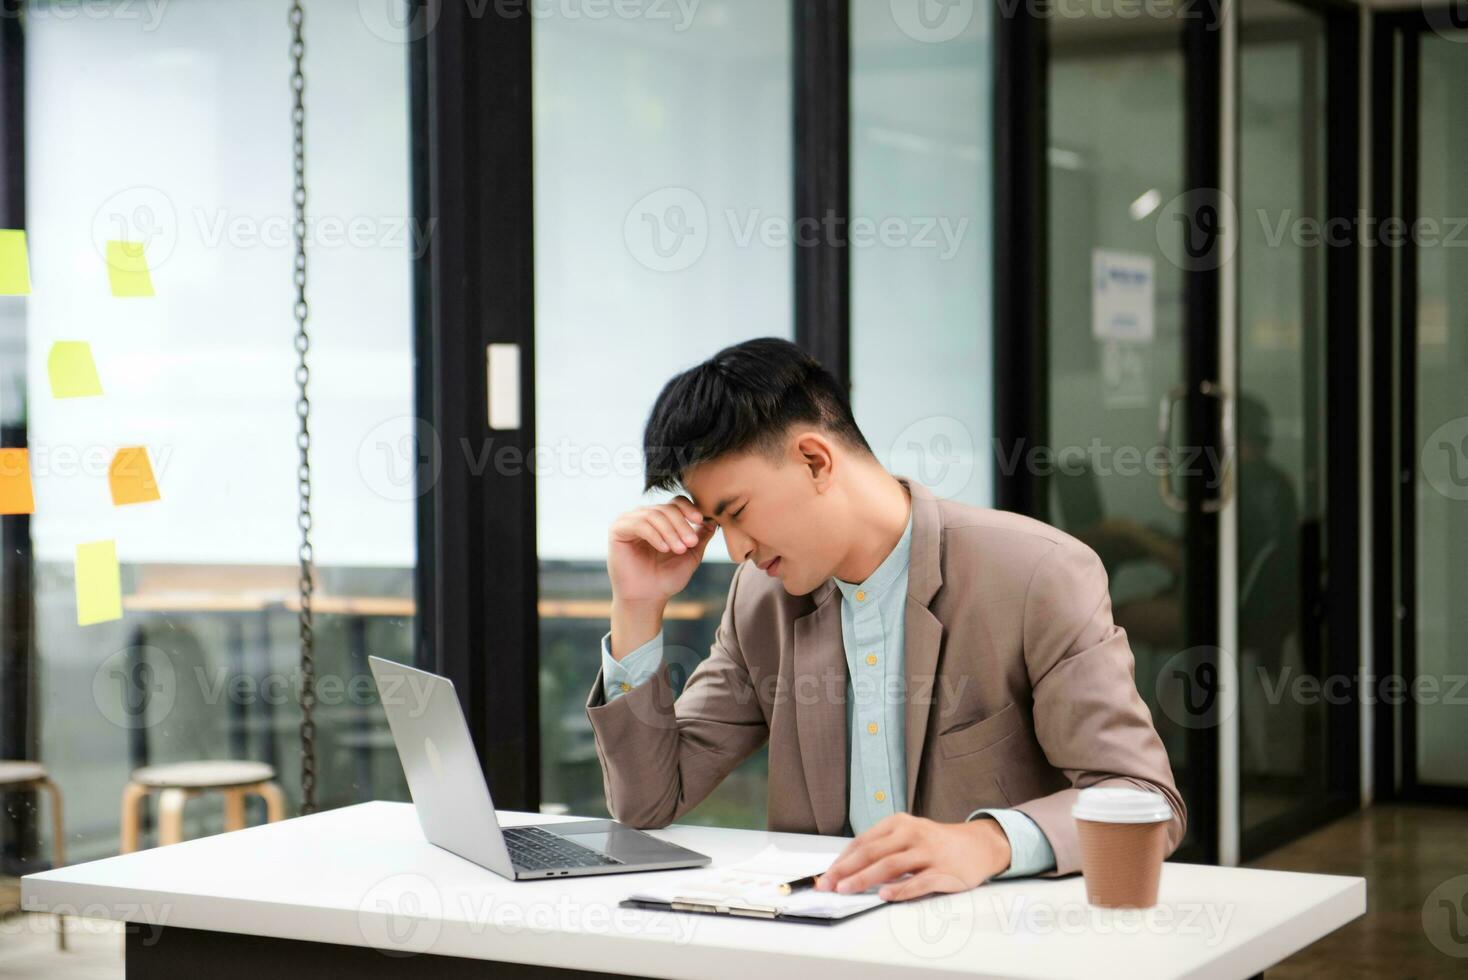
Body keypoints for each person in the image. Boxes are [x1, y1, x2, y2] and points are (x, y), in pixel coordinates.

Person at [586, 337, 1185, 902]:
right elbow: (649, 801)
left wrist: (986, 841)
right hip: (824, 942)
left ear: (815, 461)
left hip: (993, 945)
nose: (736, 550)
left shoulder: (1036, 574)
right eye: (719, 527)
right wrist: (637, 608)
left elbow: (1144, 801)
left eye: (737, 512)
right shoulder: (760, 601)